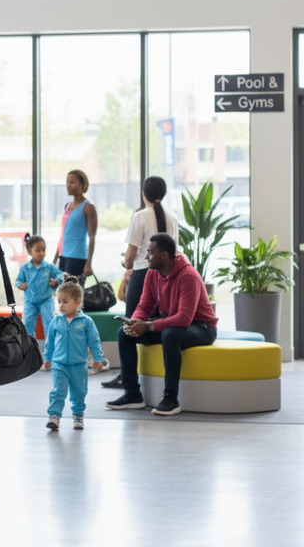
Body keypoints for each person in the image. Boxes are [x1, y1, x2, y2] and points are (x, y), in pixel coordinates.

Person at [105, 233, 218, 417]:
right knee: (124, 333)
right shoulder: (152, 273)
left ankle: (171, 399)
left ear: (164, 255)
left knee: (170, 335)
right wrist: (135, 322)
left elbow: (184, 318)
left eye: (150, 252)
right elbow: (144, 305)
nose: (146, 257)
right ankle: (132, 394)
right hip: (175, 324)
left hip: (203, 327)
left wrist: (148, 326)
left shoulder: (188, 276)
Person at [102, 176, 178, 390]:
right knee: (153, 325)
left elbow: (131, 254)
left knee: (130, 328)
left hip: (143, 275)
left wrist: (126, 264)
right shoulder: (172, 218)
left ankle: (127, 378)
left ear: (144, 194)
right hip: (165, 276)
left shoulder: (140, 216)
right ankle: (151, 377)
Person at [44, 281, 104, 430]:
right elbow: (50, 341)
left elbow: (94, 341)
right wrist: (47, 358)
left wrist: (98, 359)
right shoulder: (56, 321)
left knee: (79, 393)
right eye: (59, 301)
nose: (61, 305)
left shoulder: (86, 322)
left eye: (65, 302)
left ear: (77, 303)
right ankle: (54, 416)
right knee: (58, 391)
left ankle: (78, 415)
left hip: (79, 365)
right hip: (59, 365)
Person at [16, 234, 63, 357]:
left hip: (46, 300)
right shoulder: (25, 268)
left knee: (50, 323)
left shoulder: (49, 267)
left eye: (43, 250)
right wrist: (21, 285)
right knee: (27, 325)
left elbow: (60, 275)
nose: (41, 253)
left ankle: (50, 352)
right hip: (30, 301)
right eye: (38, 250)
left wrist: (56, 281)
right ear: (29, 251)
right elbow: (18, 281)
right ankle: (30, 352)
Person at [53, 169, 97, 284]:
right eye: (67, 182)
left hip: (77, 257)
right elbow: (63, 234)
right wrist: (55, 259)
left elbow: (92, 236)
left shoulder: (88, 207)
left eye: (72, 182)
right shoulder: (67, 206)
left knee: (73, 292)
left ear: (81, 184)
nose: (68, 186)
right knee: (61, 291)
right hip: (63, 256)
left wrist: (89, 263)